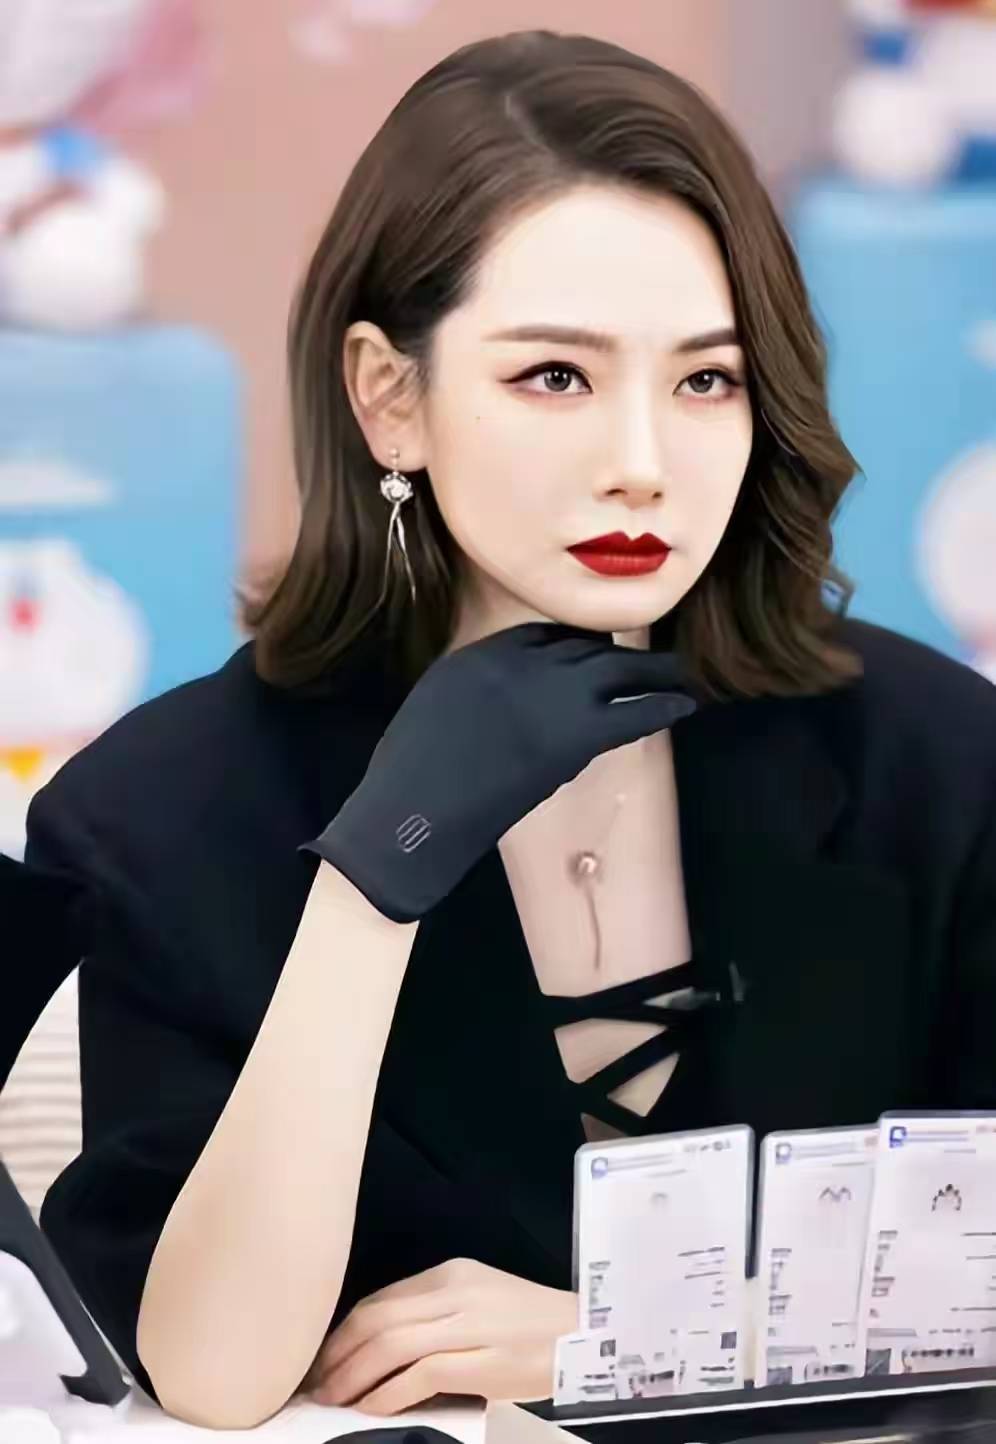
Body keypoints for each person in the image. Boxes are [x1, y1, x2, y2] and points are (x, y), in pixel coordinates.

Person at [3, 26, 995, 1432]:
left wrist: (634, 1339)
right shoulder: (162, 809)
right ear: (389, 396)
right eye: (556, 378)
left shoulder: (933, 755)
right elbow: (215, 1376)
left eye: (705, 380)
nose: (642, 464)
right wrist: (374, 879)